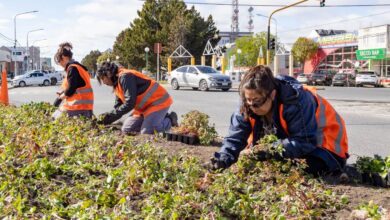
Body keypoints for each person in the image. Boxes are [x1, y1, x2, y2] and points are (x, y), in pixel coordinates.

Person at [211, 65, 349, 175]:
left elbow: (304, 142)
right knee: (259, 167)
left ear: (272, 94)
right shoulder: (247, 104)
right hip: (292, 147)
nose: (252, 106)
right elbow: (235, 138)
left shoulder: (296, 101)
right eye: (248, 100)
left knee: (285, 171)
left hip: (325, 150)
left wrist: (266, 150)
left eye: (257, 101)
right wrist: (223, 159)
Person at [96, 61, 178, 134]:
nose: (103, 82)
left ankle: (170, 119)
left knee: (147, 132)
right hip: (143, 109)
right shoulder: (116, 84)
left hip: (158, 103)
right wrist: (106, 118)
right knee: (127, 130)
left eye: (103, 78)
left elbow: (130, 103)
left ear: (108, 74)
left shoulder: (125, 77)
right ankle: (151, 120)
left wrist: (108, 118)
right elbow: (118, 107)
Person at [52, 42, 94, 118]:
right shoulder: (78, 67)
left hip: (77, 109)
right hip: (84, 108)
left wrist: (59, 99)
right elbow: (76, 86)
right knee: (55, 117)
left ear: (64, 57)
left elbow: (71, 89)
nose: (60, 64)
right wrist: (63, 92)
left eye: (59, 61)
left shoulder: (72, 68)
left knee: (54, 118)